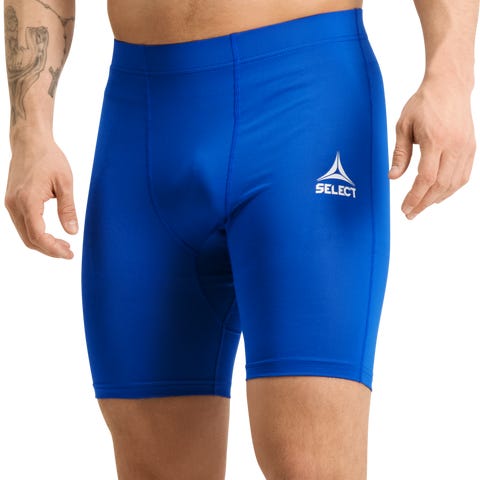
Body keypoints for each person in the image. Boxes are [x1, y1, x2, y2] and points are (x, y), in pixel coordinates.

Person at [3, 0, 477, 478]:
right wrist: (30, 132)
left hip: (303, 101)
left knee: (307, 461)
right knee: (155, 467)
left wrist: (451, 75)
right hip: (142, 122)